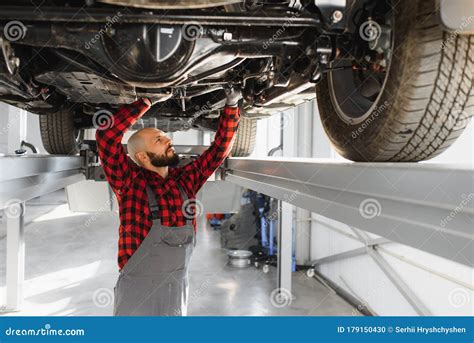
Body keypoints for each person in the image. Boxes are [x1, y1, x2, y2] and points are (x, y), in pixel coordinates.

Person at [95, 89, 242, 316]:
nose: (168, 139)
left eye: (165, 136)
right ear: (142, 156)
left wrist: (231, 106)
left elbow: (218, 151)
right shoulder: (128, 181)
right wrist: (146, 101)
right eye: (159, 139)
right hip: (137, 291)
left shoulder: (186, 180)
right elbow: (106, 136)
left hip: (177, 290)